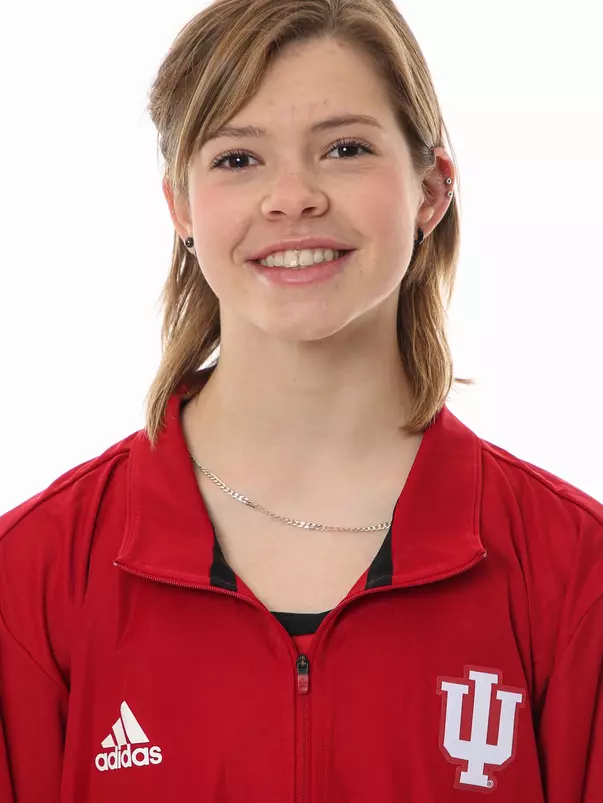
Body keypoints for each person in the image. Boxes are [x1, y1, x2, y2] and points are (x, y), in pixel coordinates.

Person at [1, 0, 602, 800]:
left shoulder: (573, 573)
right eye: (237, 159)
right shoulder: (33, 574)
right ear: (180, 206)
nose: (291, 198)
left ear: (430, 188)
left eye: (345, 148)